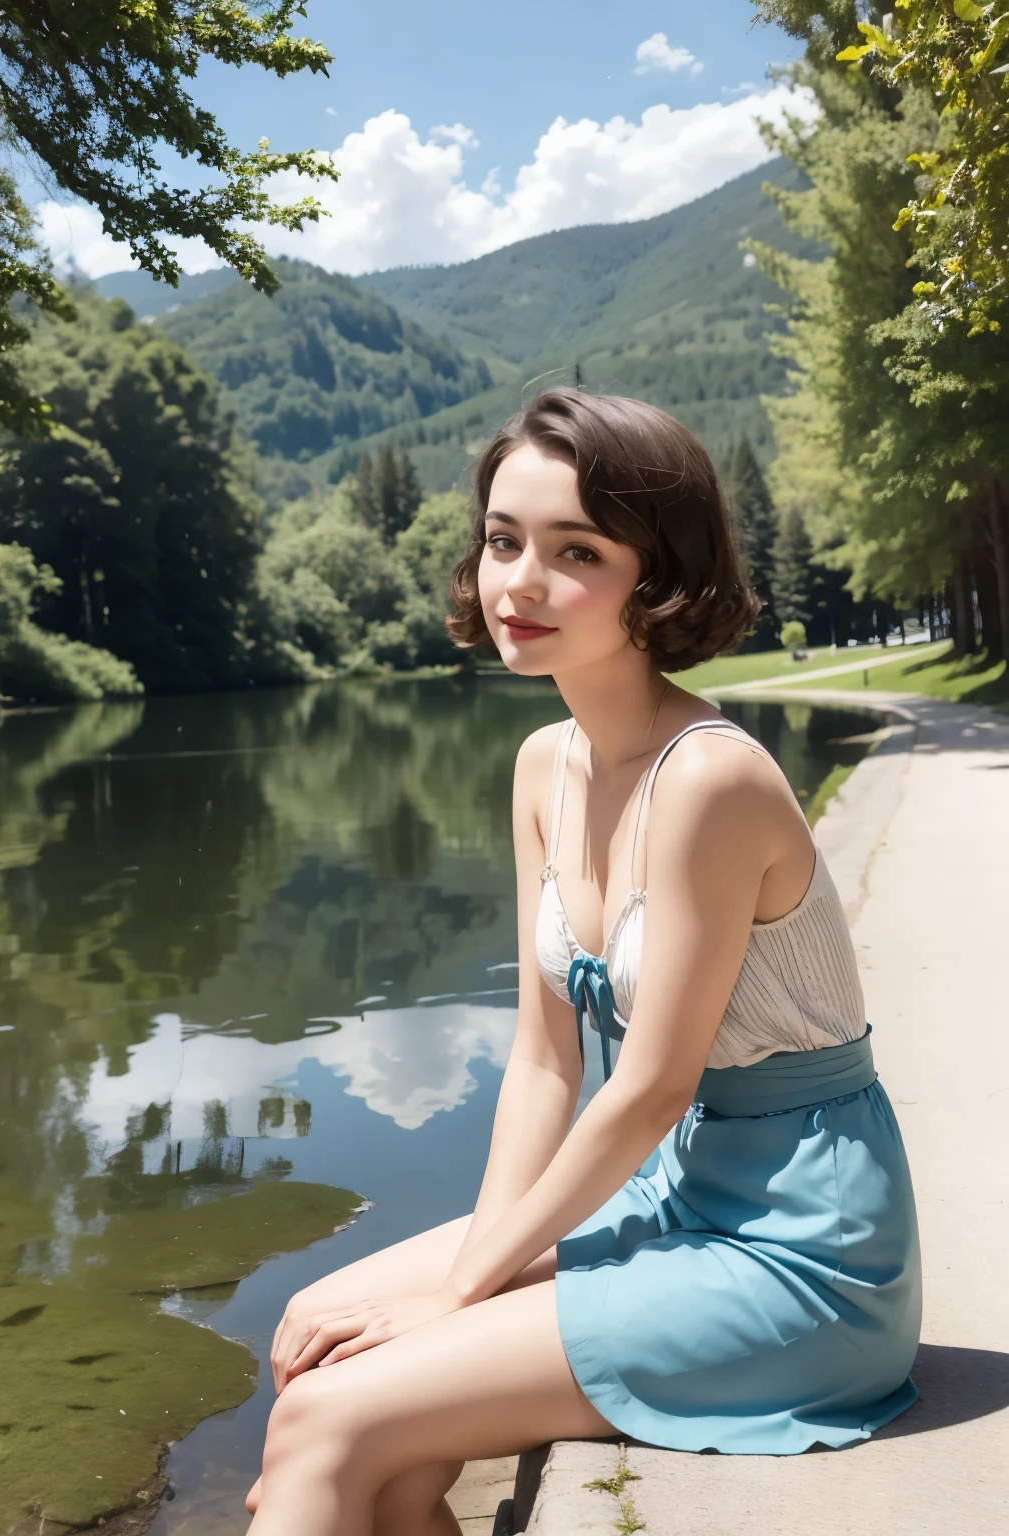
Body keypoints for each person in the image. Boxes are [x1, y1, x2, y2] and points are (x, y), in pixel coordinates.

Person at [246, 390, 922, 1535]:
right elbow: (544, 1062)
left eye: (576, 553)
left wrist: (463, 1294)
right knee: (311, 1338)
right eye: (503, 540)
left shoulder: (710, 778)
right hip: (668, 1197)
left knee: (333, 1421)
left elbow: (651, 1088)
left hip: (797, 1248)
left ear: (657, 580)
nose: (518, 582)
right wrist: (483, 1266)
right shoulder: (540, 765)